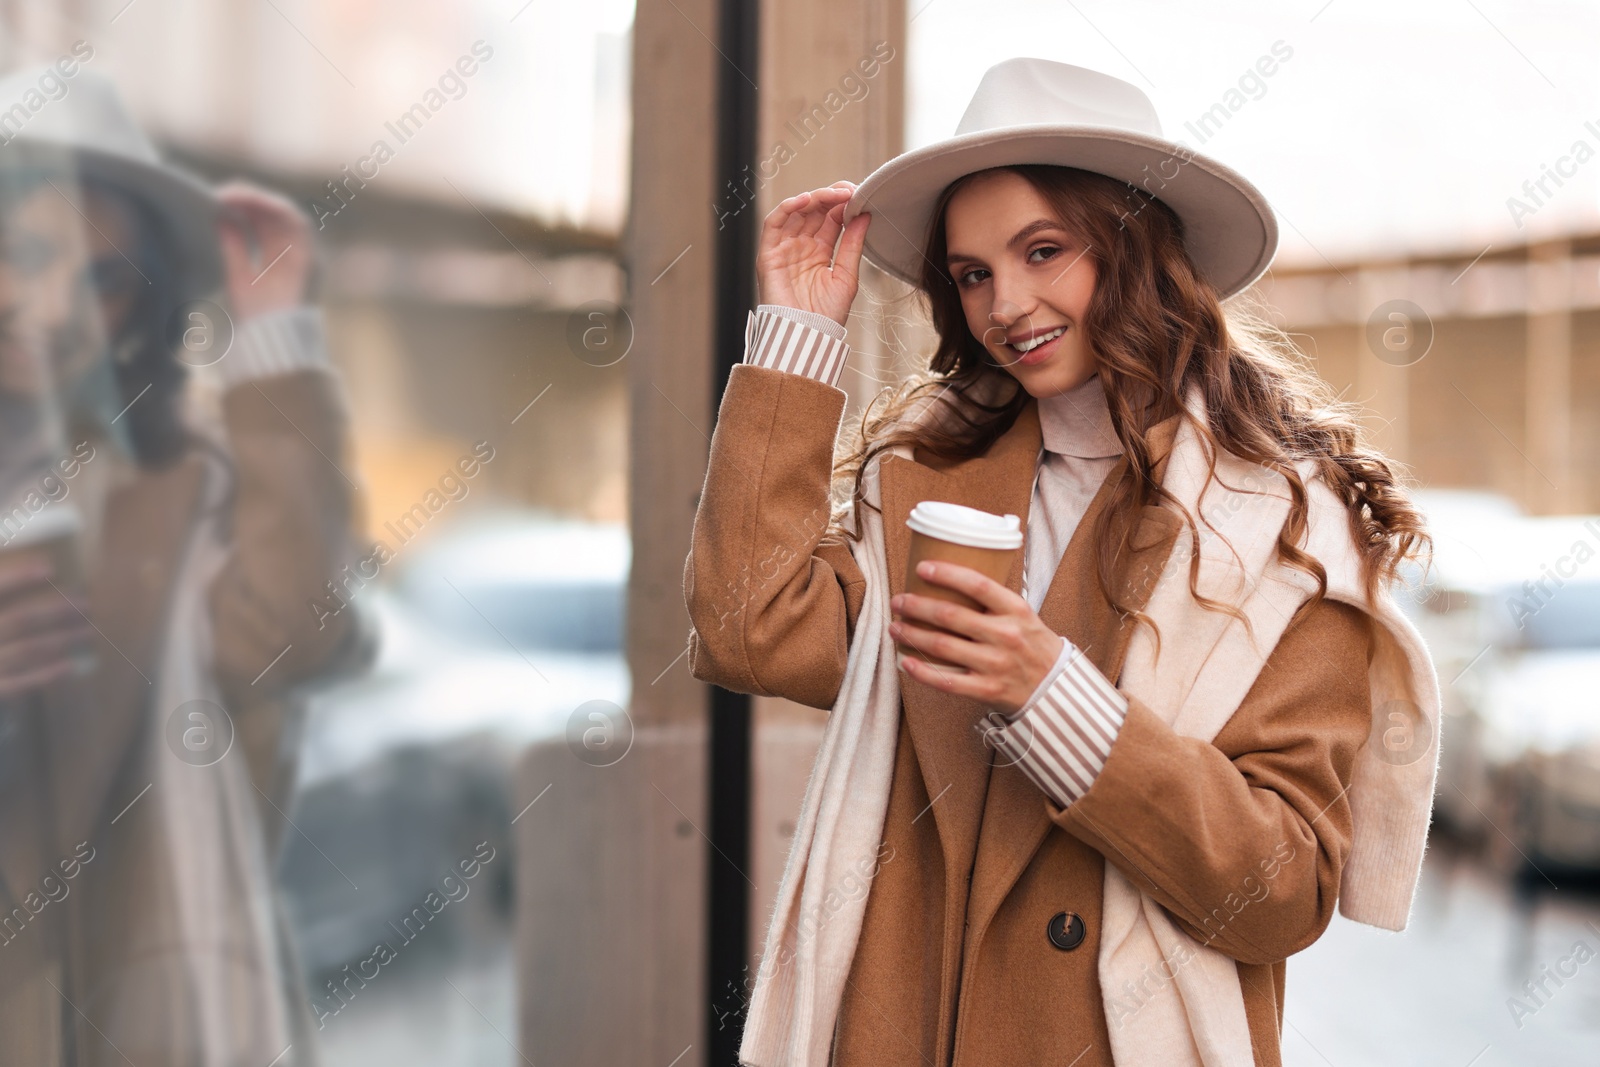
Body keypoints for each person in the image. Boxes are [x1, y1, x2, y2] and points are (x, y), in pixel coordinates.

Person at [683, 59, 1440, 1067]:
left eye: (1045, 249)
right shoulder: (925, 483)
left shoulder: (1283, 527)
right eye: (973, 273)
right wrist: (796, 335)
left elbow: (1282, 888)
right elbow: (747, 624)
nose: (1006, 303)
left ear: (1136, 249)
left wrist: (1054, 699)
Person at [0, 68, 368, 1066]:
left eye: (103, 276)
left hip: (111, 1001)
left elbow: (293, 631)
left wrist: (275, 332)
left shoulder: (169, 486)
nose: (48, 304)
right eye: (21, 251)